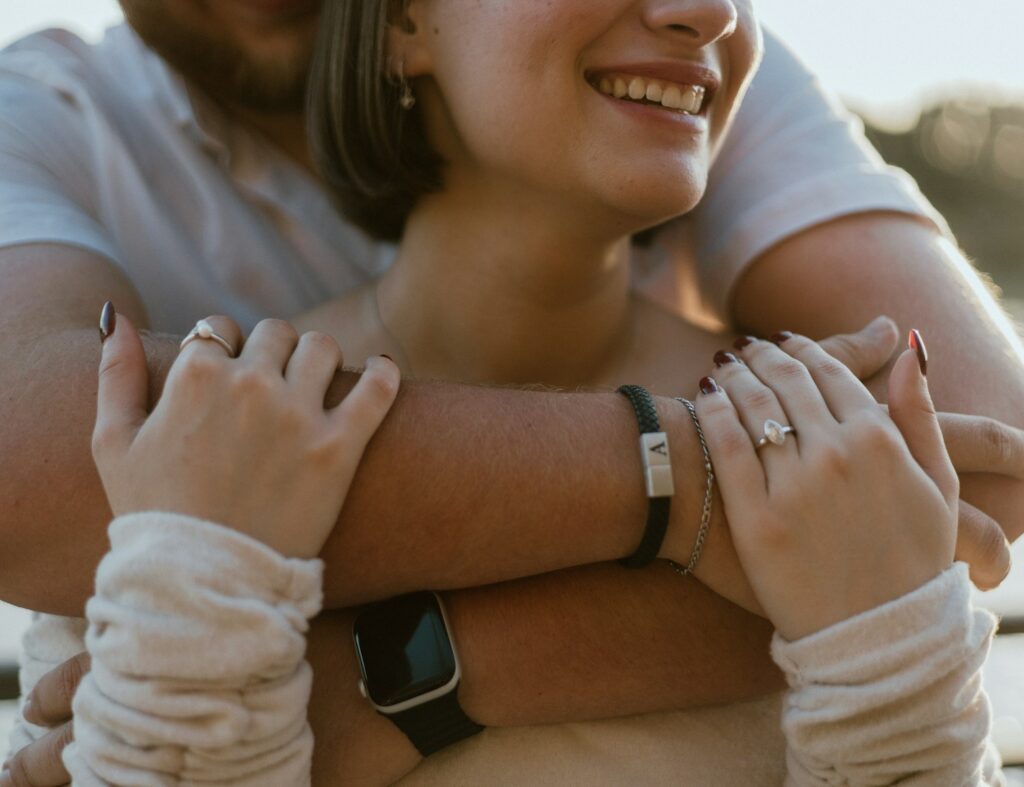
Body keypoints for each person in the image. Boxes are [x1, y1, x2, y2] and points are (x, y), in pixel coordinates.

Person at [1, 0, 1023, 782]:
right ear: (405, 24)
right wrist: (702, 480)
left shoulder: (824, 429)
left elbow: (992, 476)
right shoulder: (200, 444)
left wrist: (390, 684)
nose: (703, 10)